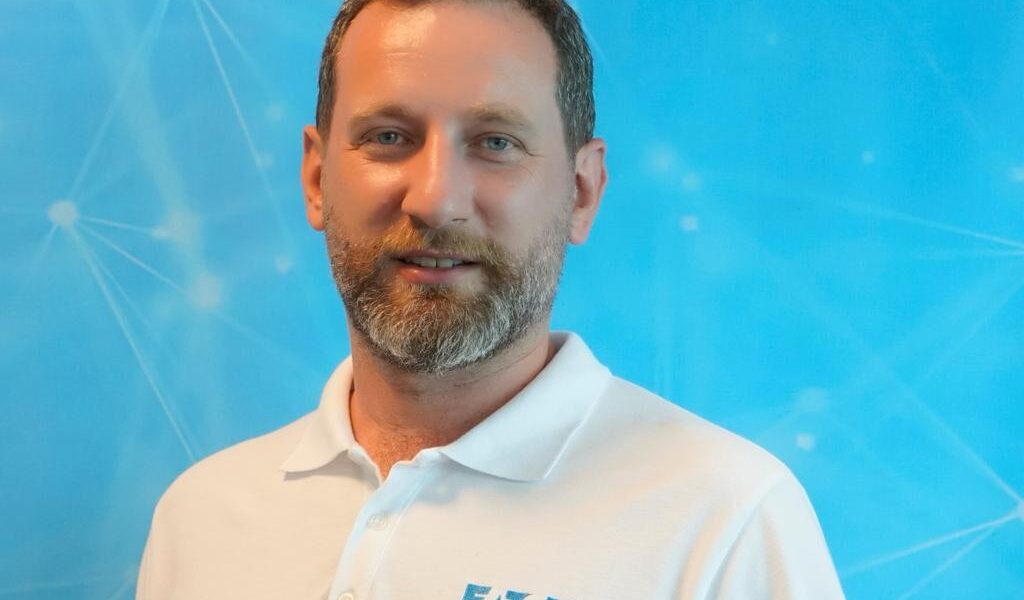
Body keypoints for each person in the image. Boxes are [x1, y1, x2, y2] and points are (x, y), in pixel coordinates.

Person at [136, 1, 845, 598]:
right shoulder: (200, 519)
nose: (436, 199)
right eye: (389, 137)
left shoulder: (726, 520)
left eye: (495, 142)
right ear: (318, 179)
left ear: (581, 191)